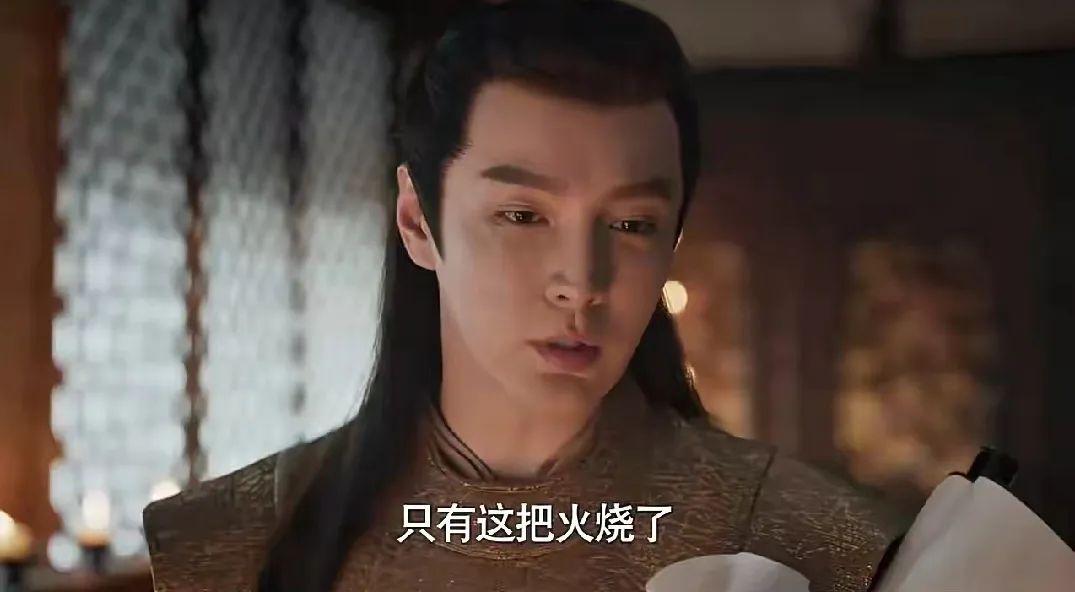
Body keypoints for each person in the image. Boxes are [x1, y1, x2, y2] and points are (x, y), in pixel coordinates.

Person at [143, 1, 906, 590]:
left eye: (631, 224)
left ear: (672, 237)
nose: (580, 281)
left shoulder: (807, 538)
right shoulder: (236, 539)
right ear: (417, 222)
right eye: (521, 216)